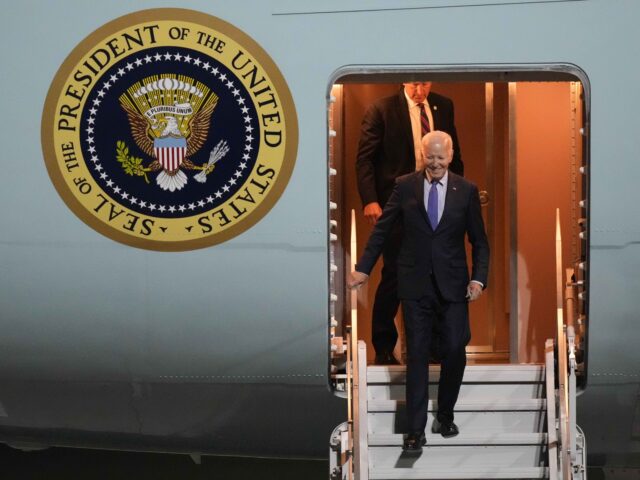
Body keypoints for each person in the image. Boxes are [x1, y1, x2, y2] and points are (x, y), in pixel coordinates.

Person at [349, 131, 489, 452]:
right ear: (422, 155)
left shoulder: (465, 191)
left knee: (455, 348)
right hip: (414, 285)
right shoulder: (405, 186)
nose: (436, 163)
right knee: (417, 356)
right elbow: (382, 230)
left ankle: (445, 413)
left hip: (454, 286)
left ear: (451, 156)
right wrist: (364, 268)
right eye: (430, 157)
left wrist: (478, 279)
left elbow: (480, 241)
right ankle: (415, 431)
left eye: (441, 157)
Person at [355, 82, 463, 365]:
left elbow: (456, 155)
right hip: (398, 201)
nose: (420, 91)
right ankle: (383, 345)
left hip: (437, 199)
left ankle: (434, 346)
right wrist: (370, 199)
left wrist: (458, 196)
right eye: (415, 85)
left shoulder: (444, 105)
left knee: (436, 270)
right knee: (393, 273)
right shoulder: (382, 109)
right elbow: (365, 159)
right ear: (404, 82)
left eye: (425, 84)